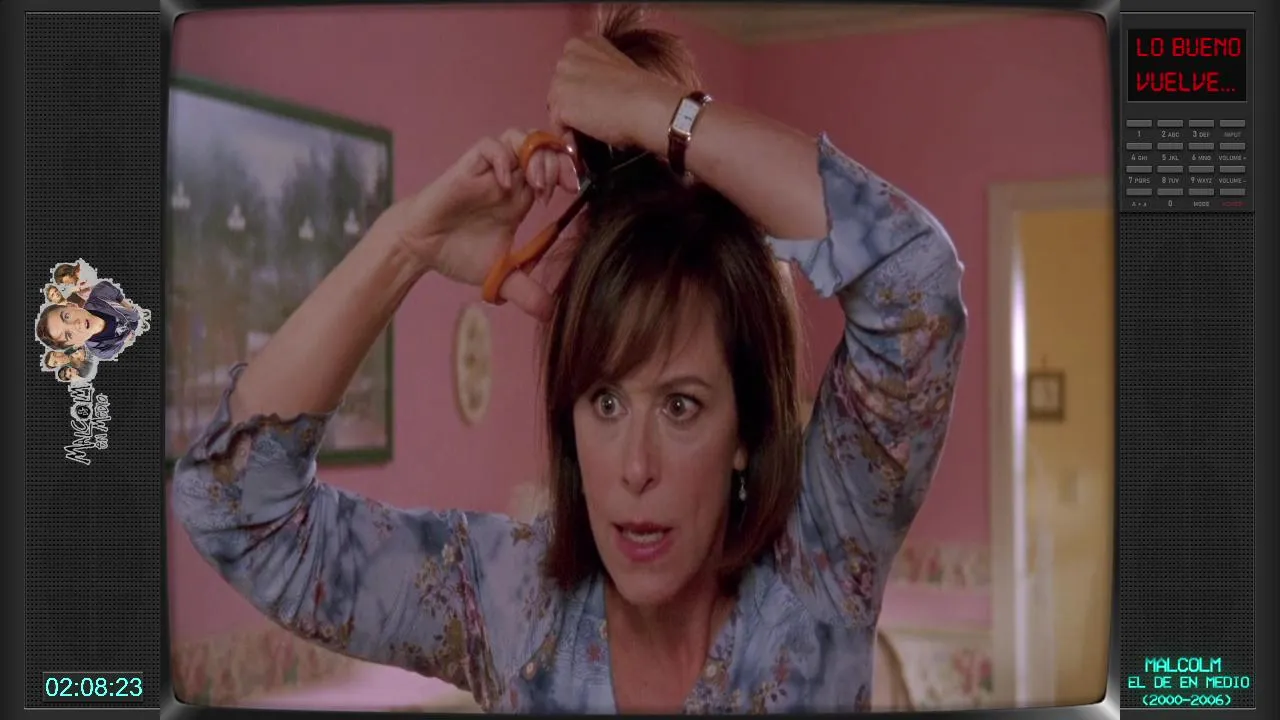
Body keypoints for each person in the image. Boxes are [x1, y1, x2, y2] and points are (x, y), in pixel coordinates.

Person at [172, 8, 966, 714]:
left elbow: (916, 280)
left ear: (745, 431)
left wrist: (663, 115)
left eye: (681, 405)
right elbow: (233, 507)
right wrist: (406, 244)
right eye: (606, 403)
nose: (635, 468)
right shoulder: (513, 604)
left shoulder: (820, 568)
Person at [35, 280, 144, 360]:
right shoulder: (101, 352)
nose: (76, 324)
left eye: (67, 316)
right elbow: (122, 346)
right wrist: (128, 338)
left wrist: (130, 309)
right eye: (69, 335)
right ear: (77, 343)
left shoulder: (100, 291)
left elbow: (118, 295)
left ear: (72, 305)